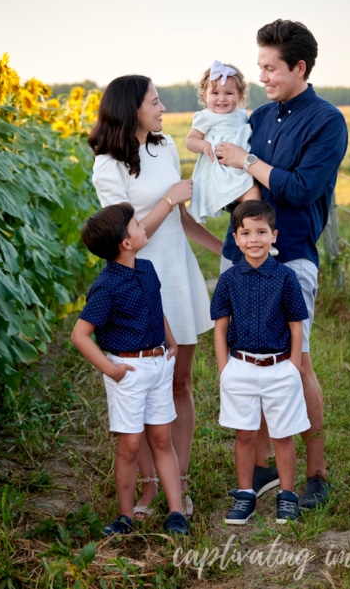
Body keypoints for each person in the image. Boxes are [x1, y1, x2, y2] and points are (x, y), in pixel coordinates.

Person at [215, 19, 348, 509]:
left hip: (291, 258)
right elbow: (229, 179)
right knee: (256, 358)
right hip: (240, 259)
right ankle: (271, 463)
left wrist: (247, 162)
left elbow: (299, 189)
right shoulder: (260, 118)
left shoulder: (327, 121)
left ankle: (315, 474)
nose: (263, 76)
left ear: (299, 67)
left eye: (271, 68)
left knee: (297, 364)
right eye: (260, 67)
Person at [87, 75, 223, 520]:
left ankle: (176, 485)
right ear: (131, 109)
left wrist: (226, 250)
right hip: (137, 283)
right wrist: (168, 198)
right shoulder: (108, 166)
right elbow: (128, 235)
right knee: (143, 388)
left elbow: (180, 221)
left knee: (178, 383)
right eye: (155, 101)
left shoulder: (163, 148)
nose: (163, 108)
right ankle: (146, 489)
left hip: (177, 276)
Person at [71, 202, 189, 536]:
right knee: (131, 445)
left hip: (159, 363)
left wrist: (171, 340)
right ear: (125, 242)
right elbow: (80, 334)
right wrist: (112, 369)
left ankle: (176, 512)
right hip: (129, 371)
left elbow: (156, 307)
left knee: (162, 438)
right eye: (137, 225)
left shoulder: (147, 269)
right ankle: (124, 516)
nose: (143, 228)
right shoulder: (106, 286)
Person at [211, 201, 310, 524]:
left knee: (283, 434)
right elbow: (221, 326)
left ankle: (288, 494)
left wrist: (294, 366)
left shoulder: (285, 278)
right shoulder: (229, 280)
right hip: (240, 366)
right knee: (245, 434)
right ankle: (245, 495)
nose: (254, 239)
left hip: (280, 367)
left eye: (261, 232)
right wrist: (224, 367)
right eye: (246, 233)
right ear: (236, 239)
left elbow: (296, 324)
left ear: (274, 235)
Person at [186, 60, 261, 223]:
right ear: (204, 96)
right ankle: (251, 230)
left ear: (240, 95)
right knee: (253, 193)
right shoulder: (205, 117)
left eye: (228, 93)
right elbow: (190, 141)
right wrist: (204, 145)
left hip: (241, 165)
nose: (222, 99)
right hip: (221, 170)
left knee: (257, 194)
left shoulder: (242, 115)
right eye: (215, 93)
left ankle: (247, 229)